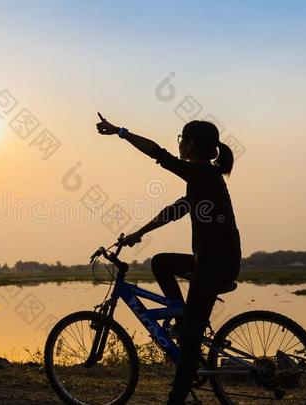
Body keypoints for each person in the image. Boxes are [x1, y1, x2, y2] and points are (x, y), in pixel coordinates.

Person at [96, 113, 241, 404]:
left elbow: (157, 154)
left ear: (190, 145)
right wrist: (140, 232)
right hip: (211, 261)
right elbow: (178, 209)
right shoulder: (203, 178)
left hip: (214, 266)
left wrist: (120, 131)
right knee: (161, 262)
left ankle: (177, 396)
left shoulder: (200, 173)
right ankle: (182, 316)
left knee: (189, 343)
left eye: (182, 139)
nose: (179, 145)